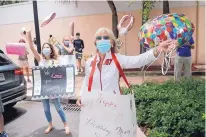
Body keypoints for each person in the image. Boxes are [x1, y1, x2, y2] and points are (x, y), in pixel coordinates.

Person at [76, 27, 176, 135]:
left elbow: (139, 60)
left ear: (112, 42)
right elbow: (87, 81)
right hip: (94, 106)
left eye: (106, 37)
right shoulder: (89, 62)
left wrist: (158, 49)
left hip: (112, 106)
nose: (102, 40)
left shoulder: (117, 59)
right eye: (99, 38)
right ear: (95, 42)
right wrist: (82, 96)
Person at [25, 29, 70, 135]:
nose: (45, 49)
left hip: (53, 88)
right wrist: (29, 33)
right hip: (43, 89)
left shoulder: (56, 60)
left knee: (58, 108)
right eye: (44, 47)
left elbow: (61, 73)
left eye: (47, 47)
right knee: (46, 109)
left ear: (51, 50)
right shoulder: (40, 59)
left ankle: (66, 125)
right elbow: (31, 47)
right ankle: (50, 125)